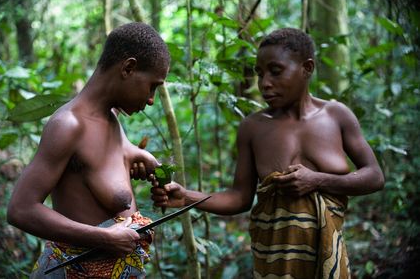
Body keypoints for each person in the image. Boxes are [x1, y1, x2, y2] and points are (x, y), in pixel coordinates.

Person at [151, 28, 384, 279]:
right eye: (260, 74)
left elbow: (374, 177)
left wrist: (318, 180)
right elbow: (240, 197)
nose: (264, 83)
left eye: (276, 71)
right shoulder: (253, 128)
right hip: (274, 264)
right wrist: (186, 196)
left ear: (307, 68)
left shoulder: (337, 115)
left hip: (329, 262)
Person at [7, 22, 170, 278]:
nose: (151, 99)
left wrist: (145, 160)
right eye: (153, 86)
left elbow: (119, 156)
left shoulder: (112, 119)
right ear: (128, 68)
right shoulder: (68, 126)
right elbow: (20, 209)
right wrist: (103, 238)